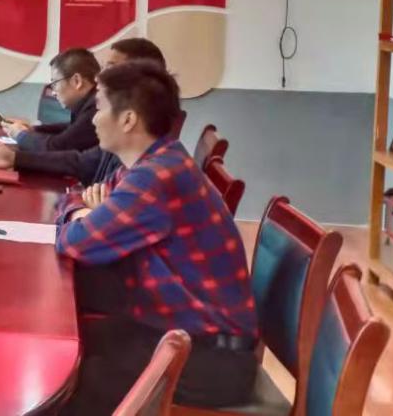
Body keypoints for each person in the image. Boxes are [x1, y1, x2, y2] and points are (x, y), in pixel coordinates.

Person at [55, 61, 257, 414]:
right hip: (180, 333)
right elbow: (76, 198)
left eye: (99, 107)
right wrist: (82, 211)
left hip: (211, 360)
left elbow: (75, 242)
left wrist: (80, 215)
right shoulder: (151, 163)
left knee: (75, 380)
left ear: (128, 119)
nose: (93, 119)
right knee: (67, 341)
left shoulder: (156, 177)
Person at [0, 38, 167, 183]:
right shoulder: (128, 147)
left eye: (111, 68)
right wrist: (15, 156)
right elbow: (81, 162)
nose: (99, 76)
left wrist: (77, 205)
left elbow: (91, 222)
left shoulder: (147, 176)